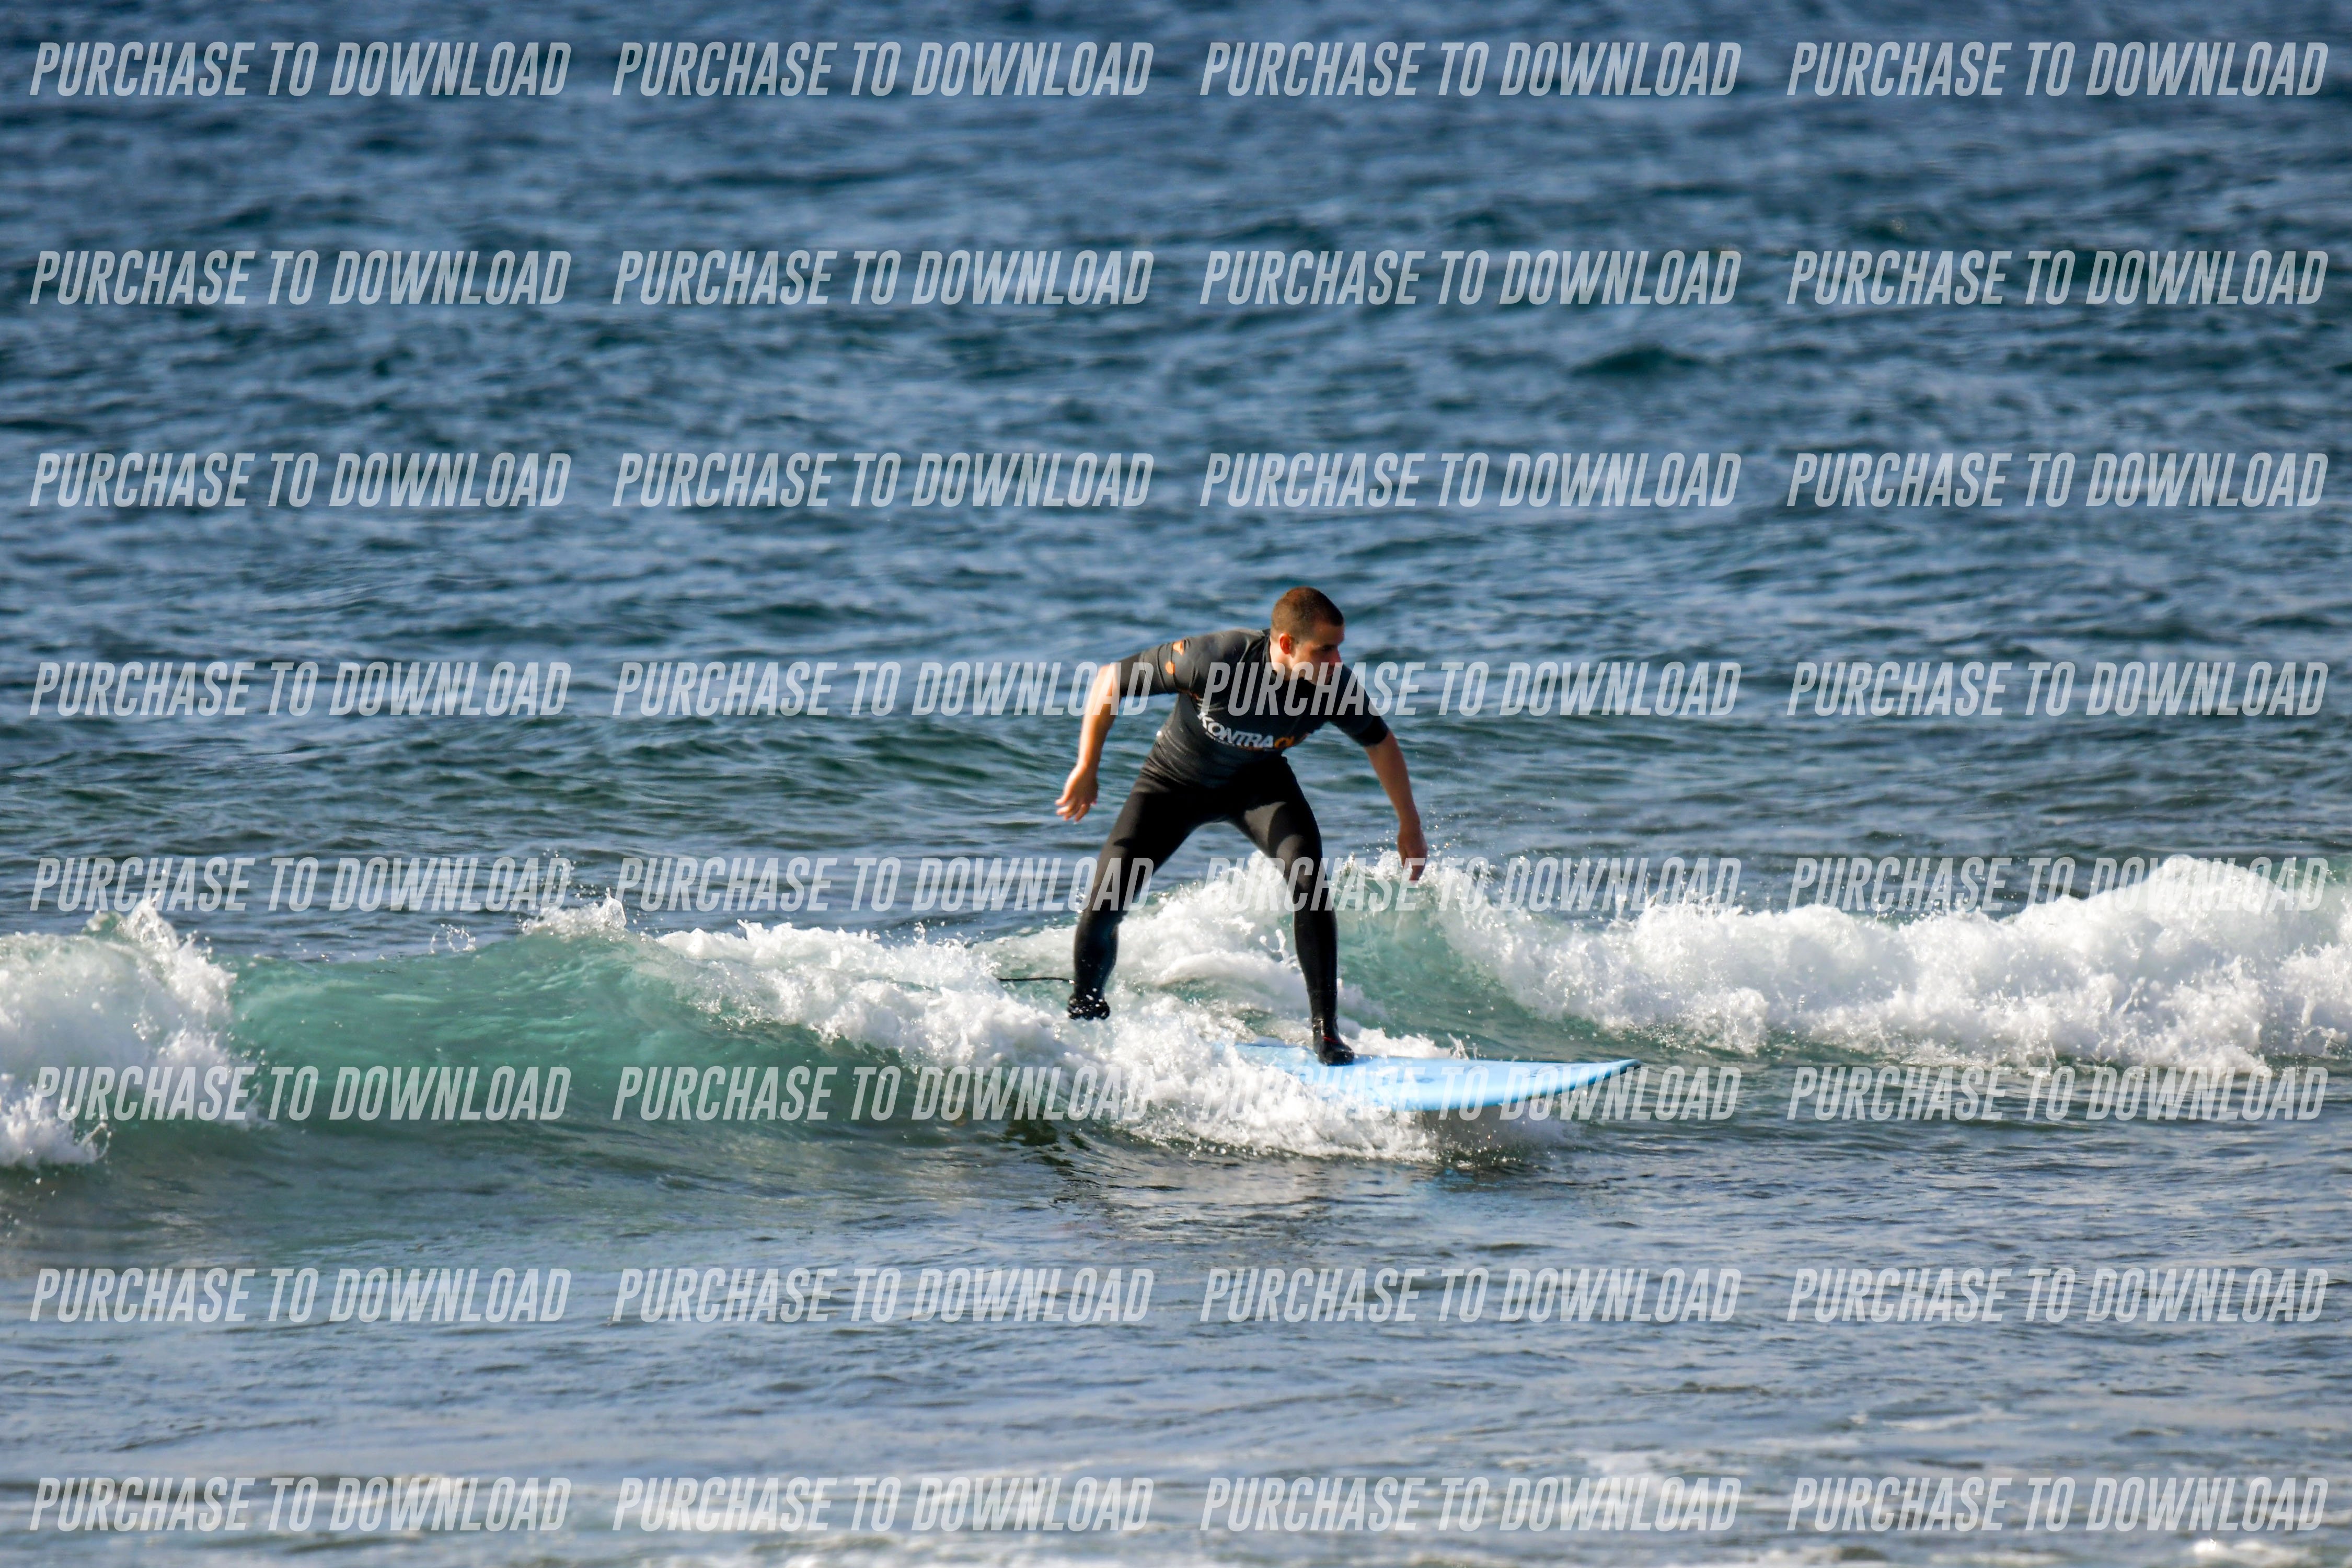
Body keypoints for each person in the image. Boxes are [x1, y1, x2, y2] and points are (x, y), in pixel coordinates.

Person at [1054, 587, 1427, 1063]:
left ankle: (1327, 1033)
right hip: (1173, 784)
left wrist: (1409, 824)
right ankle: (1085, 1013)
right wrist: (1087, 766)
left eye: (1339, 649)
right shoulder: (1215, 660)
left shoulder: (1335, 688)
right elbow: (1111, 680)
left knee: (1309, 881)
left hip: (1259, 788)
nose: (1337, 662)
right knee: (1106, 903)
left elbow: (1380, 744)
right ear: (1287, 644)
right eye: (1325, 650)